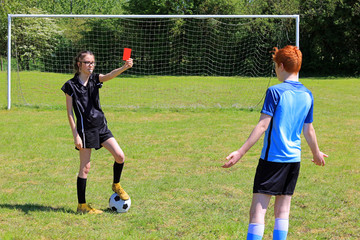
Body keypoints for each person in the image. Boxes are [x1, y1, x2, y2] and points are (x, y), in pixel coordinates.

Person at [222, 45, 328, 239]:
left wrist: (240, 152)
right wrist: (316, 153)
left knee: (257, 211)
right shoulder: (307, 94)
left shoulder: (274, 91)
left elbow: (262, 126)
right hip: (293, 161)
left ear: (280, 66)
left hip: (272, 160)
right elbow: (309, 129)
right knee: (282, 212)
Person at [61, 50, 133, 214]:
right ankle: (82, 206)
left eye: (92, 62)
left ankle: (116, 184)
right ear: (79, 64)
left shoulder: (95, 79)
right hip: (85, 131)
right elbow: (69, 113)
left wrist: (124, 67)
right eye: (87, 62)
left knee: (120, 156)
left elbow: (109, 75)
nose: (90, 65)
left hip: (101, 127)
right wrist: (75, 135)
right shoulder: (70, 86)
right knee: (85, 168)